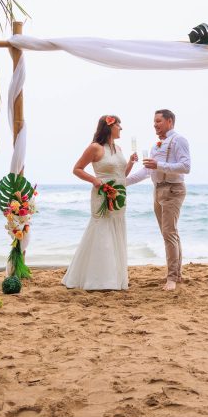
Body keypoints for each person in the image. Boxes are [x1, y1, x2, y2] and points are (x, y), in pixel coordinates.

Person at [62, 115, 137, 290]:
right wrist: (94, 180)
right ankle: (100, 280)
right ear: (109, 126)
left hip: (118, 195)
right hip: (102, 194)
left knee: (116, 230)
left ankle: (115, 277)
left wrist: (131, 163)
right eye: (119, 125)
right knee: (102, 230)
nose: (121, 128)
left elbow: (120, 175)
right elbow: (77, 169)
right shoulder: (95, 148)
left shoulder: (118, 148)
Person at [126, 109, 190, 291]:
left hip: (173, 190)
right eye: (154, 122)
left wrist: (159, 164)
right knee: (169, 234)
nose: (155, 125)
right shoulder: (155, 146)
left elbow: (186, 167)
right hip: (158, 190)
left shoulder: (179, 140)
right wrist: (123, 183)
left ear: (169, 121)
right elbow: (146, 172)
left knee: (169, 234)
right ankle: (177, 275)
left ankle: (171, 278)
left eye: (158, 121)